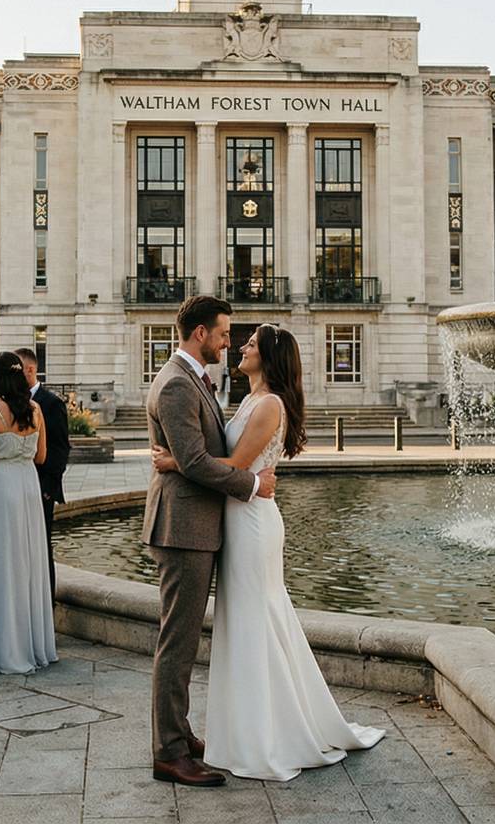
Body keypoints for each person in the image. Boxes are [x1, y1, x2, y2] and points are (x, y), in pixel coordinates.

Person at [152, 324, 384, 781]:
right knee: (244, 622)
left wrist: (177, 461)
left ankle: (266, 732)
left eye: (251, 344)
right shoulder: (250, 399)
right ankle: (241, 729)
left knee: (256, 619)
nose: (240, 345)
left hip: (253, 522)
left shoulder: (271, 403)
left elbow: (237, 467)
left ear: (270, 357)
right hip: (237, 518)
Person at [142, 295, 276, 788]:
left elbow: (193, 454)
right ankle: (169, 752)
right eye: (223, 333)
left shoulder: (191, 378)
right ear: (200, 334)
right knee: (176, 642)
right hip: (182, 529)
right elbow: (197, 462)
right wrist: (252, 486)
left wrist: (183, 461)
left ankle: (178, 733)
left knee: (182, 639)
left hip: (195, 525)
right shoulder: (177, 384)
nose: (228, 341)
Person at [0, 352, 57, 675]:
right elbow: (41, 456)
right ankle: (31, 642)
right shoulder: (35, 409)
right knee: (27, 562)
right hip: (27, 487)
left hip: (1, 488)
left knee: (1, 563)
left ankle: (3, 645)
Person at [17, 347, 69, 598]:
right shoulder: (11, 402)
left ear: (30, 369)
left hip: (41, 489)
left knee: (41, 549)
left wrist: (48, 489)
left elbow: (60, 450)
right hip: (17, 488)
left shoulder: (51, 403)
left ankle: (46, 606)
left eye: (16, 369)